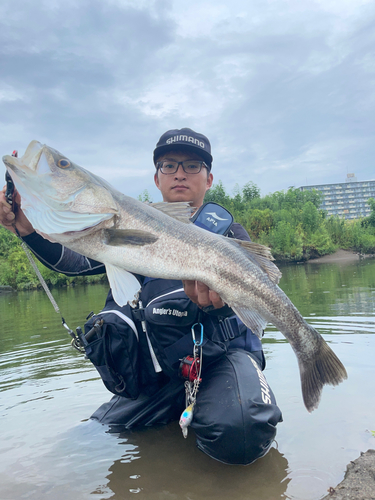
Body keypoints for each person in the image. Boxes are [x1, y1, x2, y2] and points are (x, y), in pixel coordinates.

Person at [0, 128, 282, 465]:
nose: (179, 173)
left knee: (242, 430)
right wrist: (28, 230)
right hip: (160, 376)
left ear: (209, 179)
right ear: (156, 178)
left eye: (192, 166)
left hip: (221, 363)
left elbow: (255, 305)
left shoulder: (228, 234)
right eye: (168, 165)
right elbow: (74, 262)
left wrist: (219, 305)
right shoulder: (124, 228)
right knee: (88, 442)